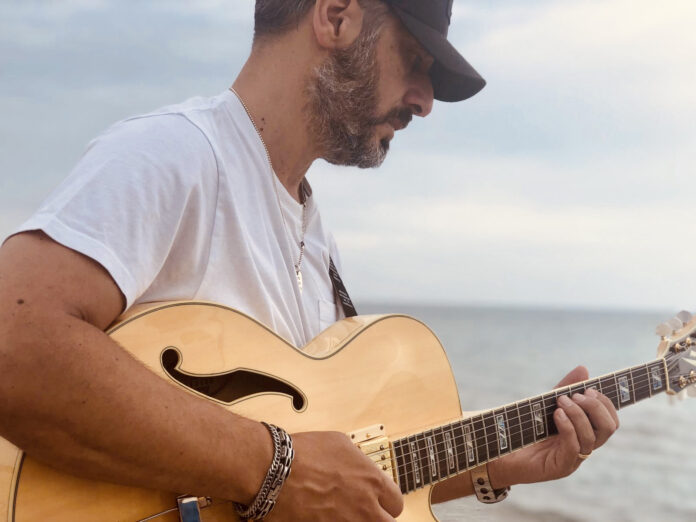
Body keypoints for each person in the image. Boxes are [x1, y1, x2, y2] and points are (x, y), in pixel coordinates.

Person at [0, 0, 619, 520]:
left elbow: (337, 478)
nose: (426, 101)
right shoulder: (177, 155)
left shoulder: (316, 239)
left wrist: (497, 464)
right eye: (414, 60)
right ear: (336, 16)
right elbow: (14, 344)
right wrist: (276, 466)